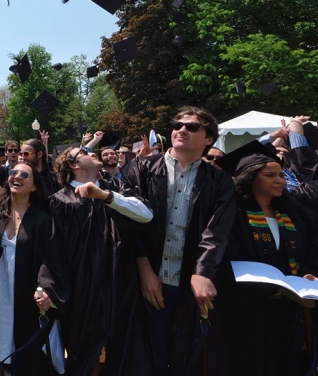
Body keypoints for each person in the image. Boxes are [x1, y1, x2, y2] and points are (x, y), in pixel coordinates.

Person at [125, 106, 236, 376]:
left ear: (209, 138)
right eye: (177, 125)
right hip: (149, 277)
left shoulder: (218, 181)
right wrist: (145, 270)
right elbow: (131, 226)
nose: (181, 129)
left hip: (191, 280)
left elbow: (216, 232)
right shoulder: (142, 168)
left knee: (189, 356)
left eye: (192, 127)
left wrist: (202, 272)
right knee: (149, 354)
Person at [215, 139, 318, 376]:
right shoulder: (232, 214)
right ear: (249, 178)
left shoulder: (292, 212)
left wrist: (308, 274)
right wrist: (279, 288)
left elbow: (311, 245)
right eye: (270, 175)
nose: (280, 181)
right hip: (247, 308)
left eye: (281, 175)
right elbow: (229, 257)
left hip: (290, 309)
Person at [49, 145, 153, 375]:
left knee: (123, 349)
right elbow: (53, 253)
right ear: (74, 165)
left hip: (121, 283)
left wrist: (106, 197)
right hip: (82, 289)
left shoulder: (115, 188)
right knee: (84, 353)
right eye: (84, 153)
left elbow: (146, 214)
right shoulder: (60, 201)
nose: (92, 152)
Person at [0, 162, 65, 376]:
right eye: (13, 172)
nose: (17, 176)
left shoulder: (43, 218)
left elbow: (50, 258)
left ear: (34, 186)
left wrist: (47, 291)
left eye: (25, 174)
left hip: (27, 290)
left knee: (27, 350)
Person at [18, 139, 57, 203]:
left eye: (26, 154)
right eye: (21, 154)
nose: (23, 157)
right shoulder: (20, 176)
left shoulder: (53, 178)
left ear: (39, 154)